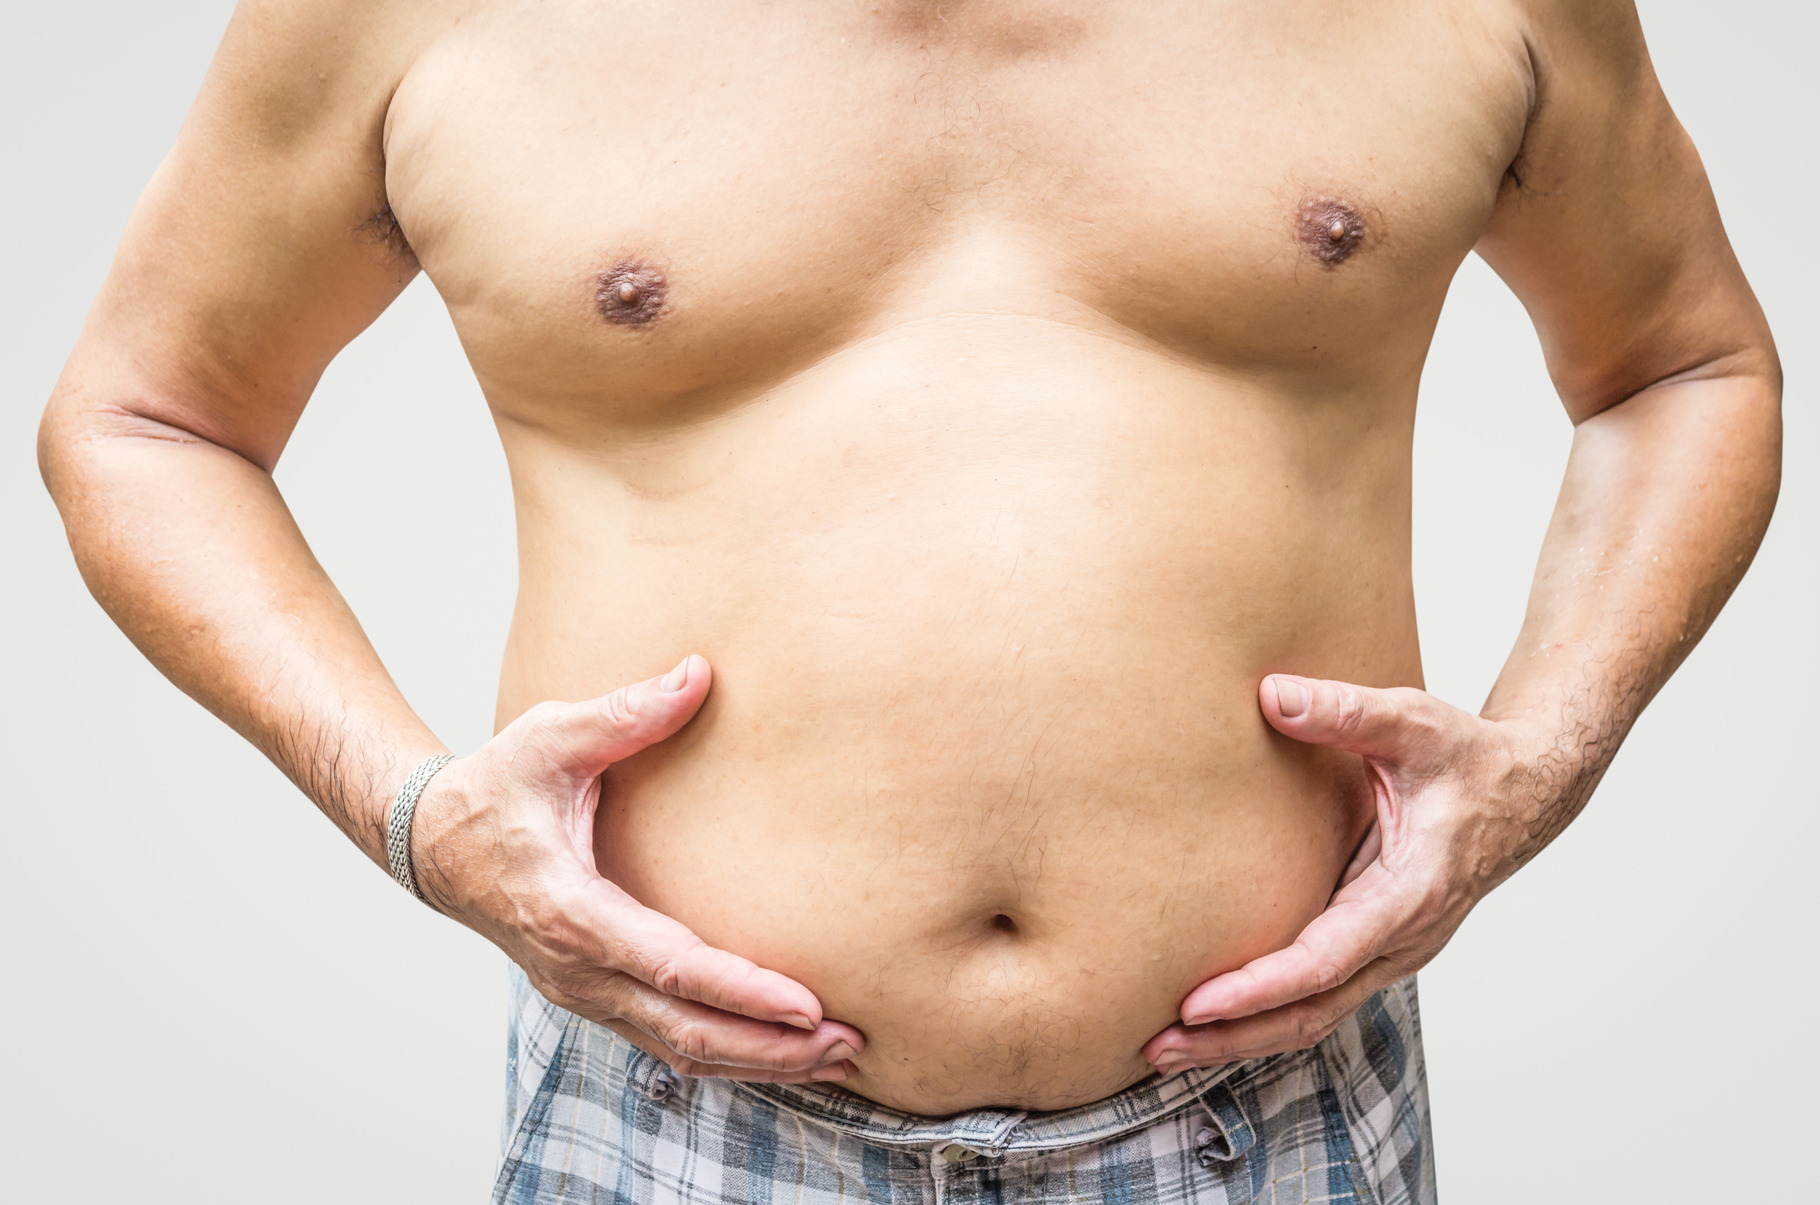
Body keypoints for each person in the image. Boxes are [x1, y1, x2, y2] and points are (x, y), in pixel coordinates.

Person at [38, 1, 1780, 1201]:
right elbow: (145, 418)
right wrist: (414, 814)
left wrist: (1543, 758)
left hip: (1270, 1118)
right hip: (678, 1126)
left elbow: (1685, 365)